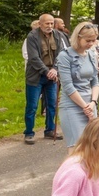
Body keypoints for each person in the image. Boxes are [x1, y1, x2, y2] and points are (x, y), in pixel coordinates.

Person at [24, 14, 70, 144]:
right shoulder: (32, 36)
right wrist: (47, 71)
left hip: (53, 75)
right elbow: (33, 58)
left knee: (52, 104)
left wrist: (55, 69)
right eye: (46, 24)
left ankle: (50, 130)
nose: (49, 26)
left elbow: (61, 54)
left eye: (51, 23)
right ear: (40, 24)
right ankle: (29, 133)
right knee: (32, 106)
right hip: (36, 76)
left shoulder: (58, 35)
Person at [56, 22, 99, 152]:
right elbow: (68, 86)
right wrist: (84, 106)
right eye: (88, 40)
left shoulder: (91, 54)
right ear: (78, 37)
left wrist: (93, 103)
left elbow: (95, 81)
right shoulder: (65, 56)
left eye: (93, 40)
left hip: (90, 105)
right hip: (72, 105)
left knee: (94, 146)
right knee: (77, 148)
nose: (91, 44)